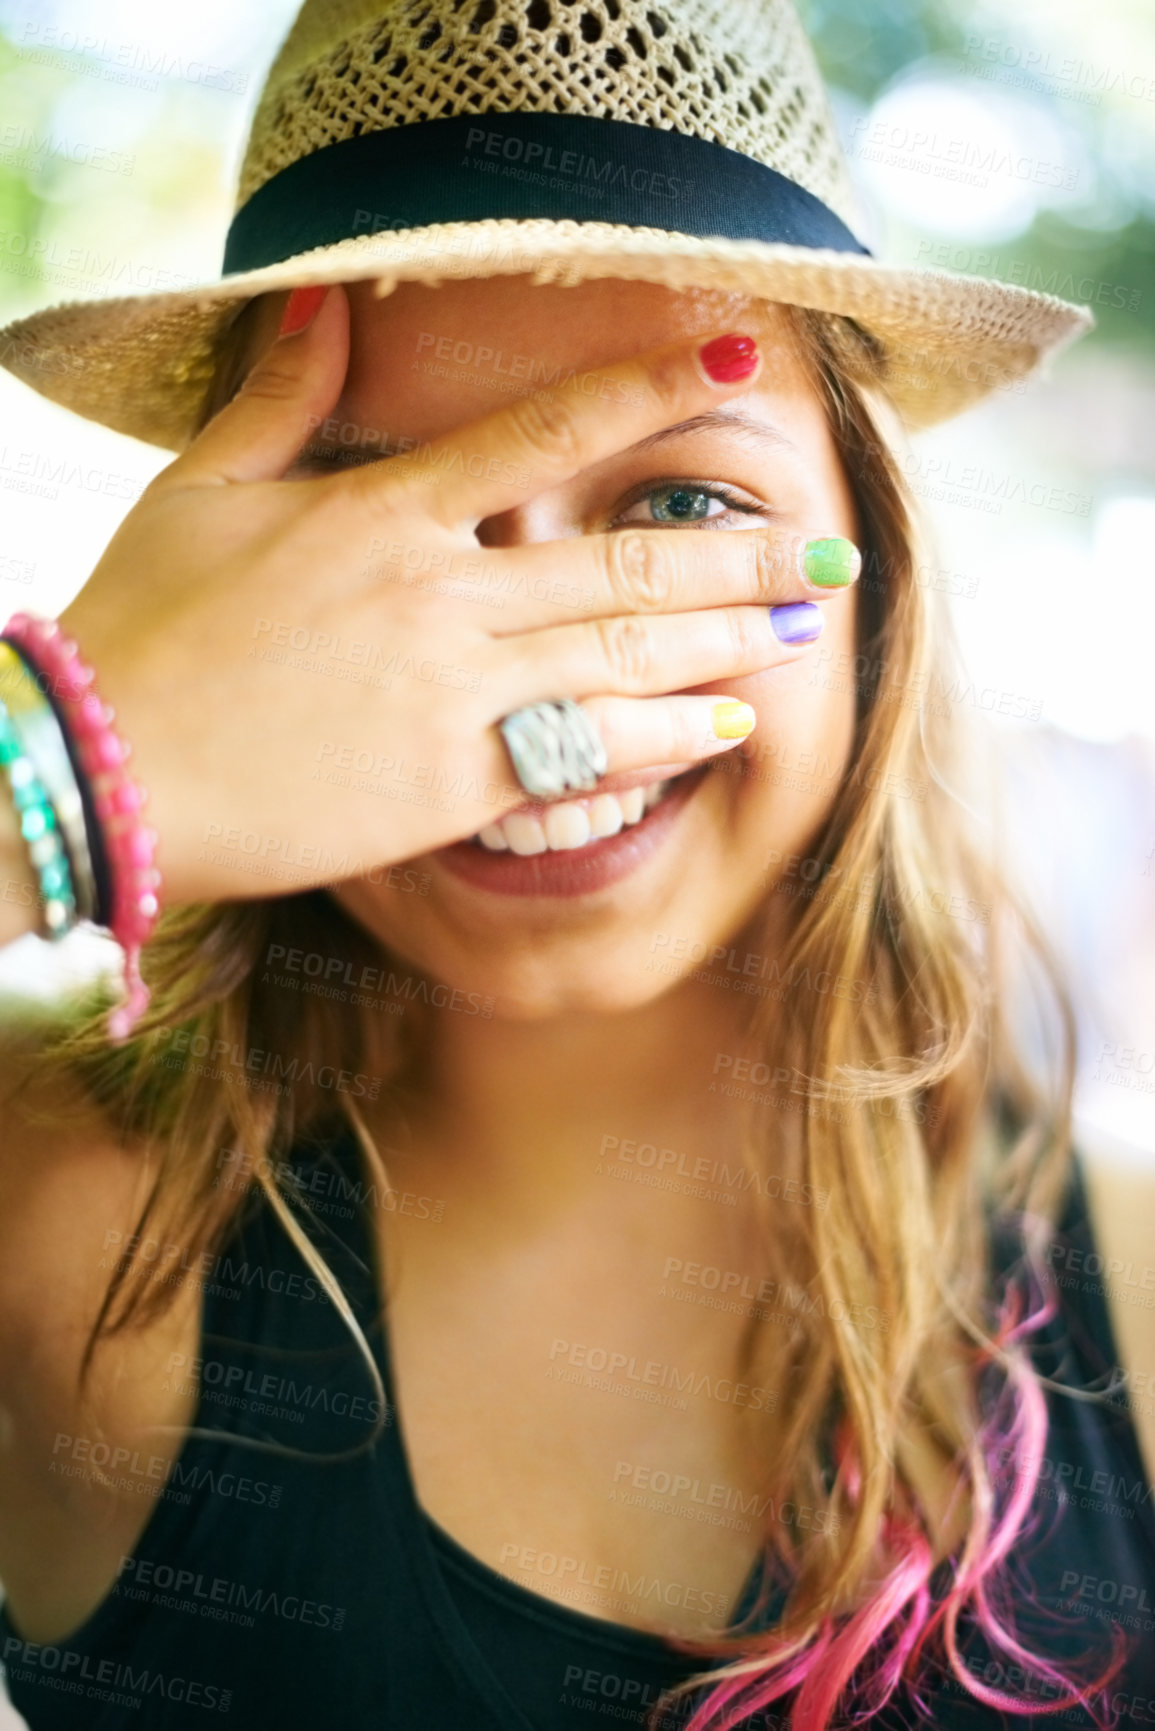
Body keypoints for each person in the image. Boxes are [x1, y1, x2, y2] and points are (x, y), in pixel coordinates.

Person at [0, 0, 1150, 1726]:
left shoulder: (1132, 1276)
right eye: (376, 528)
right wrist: (67, 761)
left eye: (678, 506)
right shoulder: (56, 1214)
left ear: (879, 581)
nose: (542, 696)